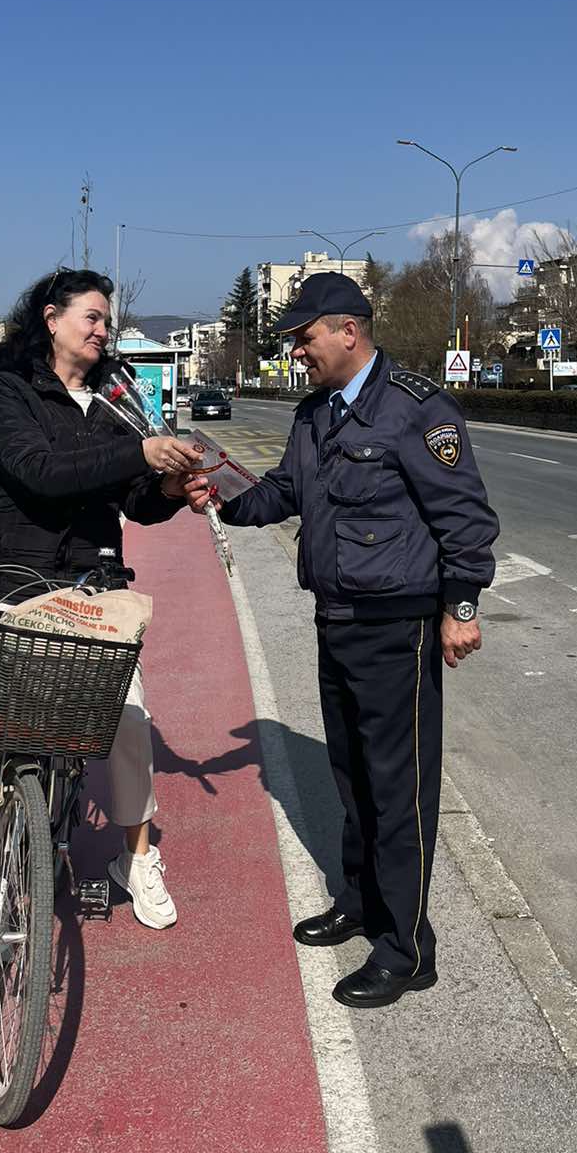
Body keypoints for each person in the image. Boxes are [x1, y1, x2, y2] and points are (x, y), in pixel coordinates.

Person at [186, 271, 499, 1009]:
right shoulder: (318, 413)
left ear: (347, 331)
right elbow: (285, 492)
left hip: (399, 626)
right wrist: (220, 498)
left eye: (304, 337)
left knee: (399, 790)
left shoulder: (416, 411)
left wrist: (461, 606)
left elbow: (465, 518)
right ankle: (361, 904)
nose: (297, 350)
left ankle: (407, 947)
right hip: (338, 619)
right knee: (354, 781)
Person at [0, 269, 198, 949]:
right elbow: (37, 471)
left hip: (96, 586)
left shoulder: (114, 399)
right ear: (51, 317)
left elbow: (133, 501)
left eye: (107, 321)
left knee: (128, 718)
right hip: (18, 579)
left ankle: (140, 857)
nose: (103, 330)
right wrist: (138, 450)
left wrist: (171, 487)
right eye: (92, 317)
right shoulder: (4, 390)